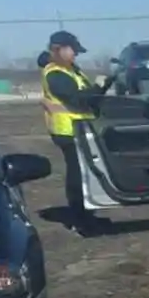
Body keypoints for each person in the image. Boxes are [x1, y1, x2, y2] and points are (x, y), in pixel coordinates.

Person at [41, 30, 106, 229]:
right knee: (77, 175)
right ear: (58, 50)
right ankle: (79, 217)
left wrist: (102, 87)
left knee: (84, 173)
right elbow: (77, 99)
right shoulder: (56, 74)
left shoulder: (70, 71)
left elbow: (87, 97)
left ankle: (85, 213)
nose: (75, 55)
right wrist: (97, 87)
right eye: (73, 51)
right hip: (68, 131)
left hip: (79, 129)